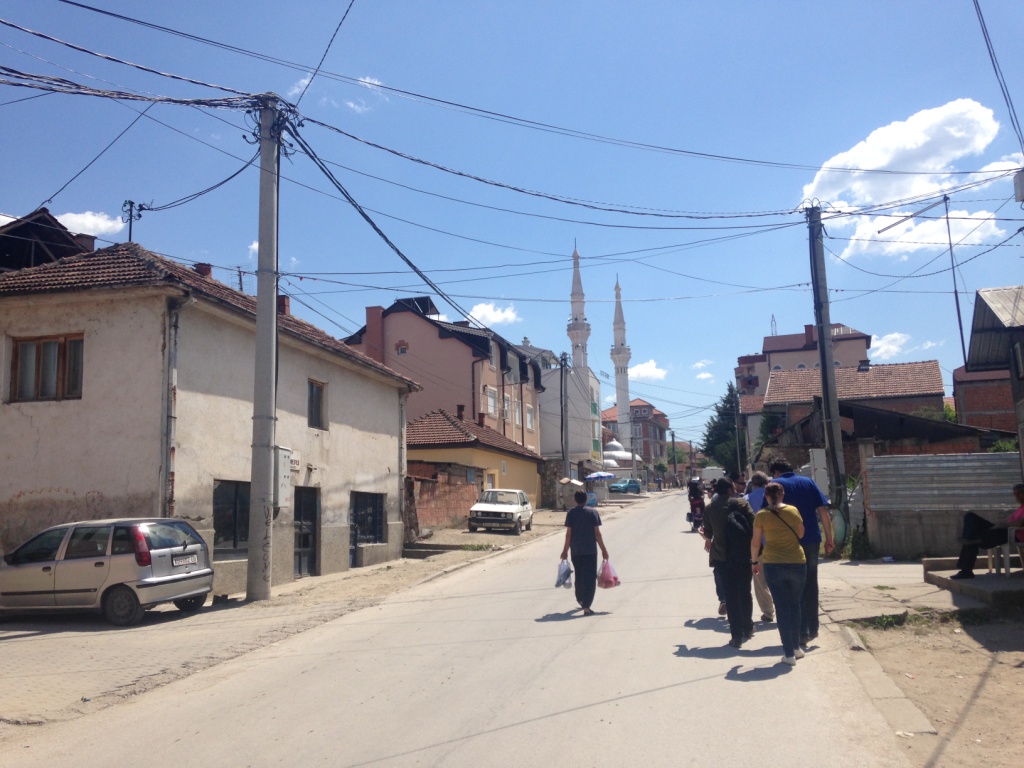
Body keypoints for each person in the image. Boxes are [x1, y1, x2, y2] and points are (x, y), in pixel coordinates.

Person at [767, 459, 834, 647]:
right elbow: (823, 511)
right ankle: (813, 628)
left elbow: (768, 516)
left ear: (777, 472)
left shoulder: (776, 485)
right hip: (812, 540)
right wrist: (829, 538)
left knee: (792, 587)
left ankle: (800, 632)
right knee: (810, 584)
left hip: (788, 544)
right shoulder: (809, 482)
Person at [752, 482, 807, 666]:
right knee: (795, 605)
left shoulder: (761, 515)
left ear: (766, 496)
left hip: (773, 564)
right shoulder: (793, 511)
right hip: (797, 562)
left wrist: (754, 562)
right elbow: (801, 534)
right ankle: (797, 647)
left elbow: (755, 542)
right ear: (783, 494)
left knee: (782, 608)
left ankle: (789, 653)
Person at [951, 483, 1024, 579]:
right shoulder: (1020, 508)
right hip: (1001, 531)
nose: (1016, 496)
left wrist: (1003, 525)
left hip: (1013, 535)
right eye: (1014, 493)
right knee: (970, 517)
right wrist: (999, 525)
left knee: (973, 538)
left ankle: (966, 570)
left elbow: (1020, 523)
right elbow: (1006, 521)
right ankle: (971, 538)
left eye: (1019, 493)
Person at [560, 490, 609, 616]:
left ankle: (580, 599)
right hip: (590, 551)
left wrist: (565, 551)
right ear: (586, 499)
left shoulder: (571, 513)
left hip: (576, 551)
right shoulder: (593, 513)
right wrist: (604, 550)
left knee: (579, 576)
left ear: (575, 500)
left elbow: (568, 535)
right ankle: (586, 606)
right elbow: (597, 534)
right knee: (590, 578)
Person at [722, 482, 756, 648]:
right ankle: (748, 628)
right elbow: (755, 524)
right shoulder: (743, 504)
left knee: (731, 597)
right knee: (745, 593)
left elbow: (708, 531)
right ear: (730, 490)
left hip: (724, 558)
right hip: (744, 555)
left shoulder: (713, 507)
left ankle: (736, 636)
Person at [744, 471, 775, 623]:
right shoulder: (774, 497)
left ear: (753, 484)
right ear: (766, 482)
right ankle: (783, 608)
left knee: (760, 581)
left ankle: (768, 612)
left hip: (758, 546)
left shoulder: (746, 500)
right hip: (776, 543)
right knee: (777, 578)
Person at [702, 477, 735, 617]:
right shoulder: (740, 504)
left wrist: (704, 537)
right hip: (738, 548)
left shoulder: (710, 508)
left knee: (719, 573)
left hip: (719, 548)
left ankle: (723, 600)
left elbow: (708, 533)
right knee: (738, 576)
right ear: (730, 490)